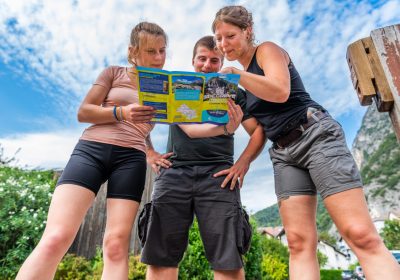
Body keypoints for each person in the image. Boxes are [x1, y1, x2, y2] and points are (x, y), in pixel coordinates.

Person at [212, 5, 400, 280]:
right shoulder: (241, 88)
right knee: (298, 243)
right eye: (218, 38)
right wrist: (230, 127)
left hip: (314, 135)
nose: (223, 43)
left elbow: (280, 90)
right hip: (283, 154)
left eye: (229, 35)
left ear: (247, 31)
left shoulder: (266, 50)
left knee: (359, 233)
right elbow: (257, 131)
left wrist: (236, 75)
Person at [16, 22, 167, 280]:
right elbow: (83, 112)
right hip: (91, 151)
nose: (158, 58)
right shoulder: (113, 73)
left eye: (162, 51)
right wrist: (121, 112)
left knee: (116, 245)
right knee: (56, 237)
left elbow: (145, 125)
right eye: (150, 51)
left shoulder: (164, 86)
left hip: (131, 159)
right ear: (133, 51)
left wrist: (150, 151)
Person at [140, 35, 266, 280]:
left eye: (214, 60)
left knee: (228, 258)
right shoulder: (176, 88)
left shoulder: (236, 94)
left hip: (219, 176)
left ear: (221, 63)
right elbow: (143, 116)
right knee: (160, 255)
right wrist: (149, 151)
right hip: (174, 172)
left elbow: (258, 131)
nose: (207, 65)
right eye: (202, 59)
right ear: (193, 60)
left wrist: (243, 163)